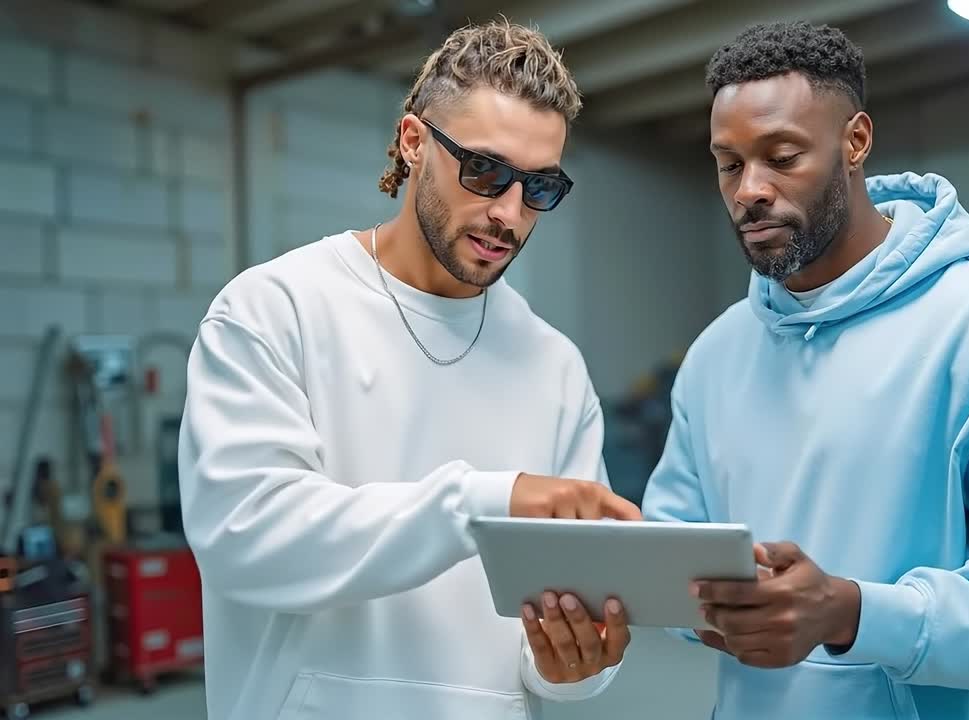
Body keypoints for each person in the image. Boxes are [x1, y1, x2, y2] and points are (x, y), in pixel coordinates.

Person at [641, 20, 969, 720]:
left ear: (855, 142)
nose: (750, 189)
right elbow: (675, 554)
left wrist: (849, 613)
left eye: (781, 156)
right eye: (729, 164)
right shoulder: (716, 357)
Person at [179, 19, 639, 720]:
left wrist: (574, 666)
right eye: (485, 171)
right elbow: (245, 539)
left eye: (539, 188)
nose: (508, 214)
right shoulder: (275, 309)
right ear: (414, 142)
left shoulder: (556, 368)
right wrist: (483, 503)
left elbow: (559, 632)